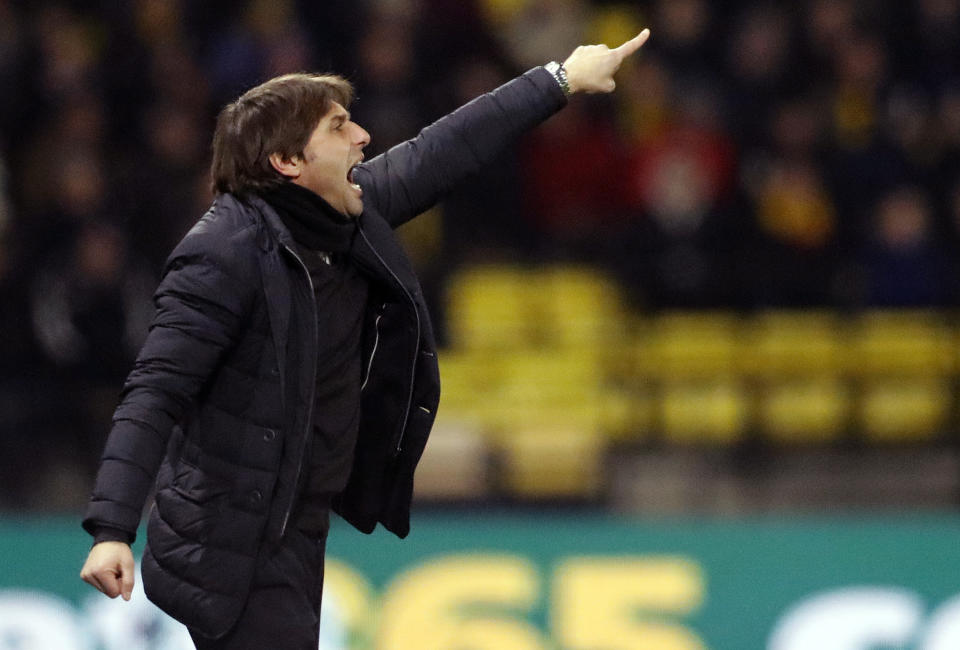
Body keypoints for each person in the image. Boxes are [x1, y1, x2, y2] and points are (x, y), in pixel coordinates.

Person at [79, 29, 651, 649]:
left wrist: (561, 79)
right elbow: (154, 392)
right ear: (287, 162)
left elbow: (445, 148)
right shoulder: (222, 257)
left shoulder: (343, 214)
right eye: (338, 126)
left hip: (293, 525)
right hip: (232, 540)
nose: (363, 137)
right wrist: (112, 527)